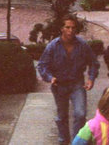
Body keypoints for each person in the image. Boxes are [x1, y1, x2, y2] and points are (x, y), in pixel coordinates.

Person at [38, 15, 100, 145]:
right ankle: (63, 140)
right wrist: (50, 77)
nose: (70, 30)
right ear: (62, 28)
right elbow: (42, 65)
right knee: (62, 116)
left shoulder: (82, 45)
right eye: (67, 27)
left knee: (80, 113)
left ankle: (77, 141)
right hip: (59, 84)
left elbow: (94, 62)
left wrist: (91, 78)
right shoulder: (53, 46)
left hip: (77, 83)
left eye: (73, 28)